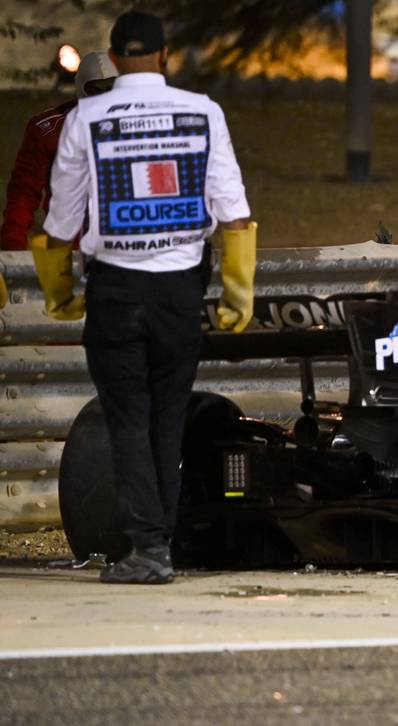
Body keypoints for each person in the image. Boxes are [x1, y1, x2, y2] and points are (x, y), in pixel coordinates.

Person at [33, 11, 257, 584]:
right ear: (164, 55)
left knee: (128, 419)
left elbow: (60, 222)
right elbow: (234, 215)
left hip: (115, 289)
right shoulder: (203, 112)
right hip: (180, 291)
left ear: (113, 57)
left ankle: (149, 548)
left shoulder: (85, 118)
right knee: (168, 416)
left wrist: (60, 293)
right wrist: (238, 293)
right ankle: (163, 544)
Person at [2, 52, 118, 253]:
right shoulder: (49, 130)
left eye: (110, 89)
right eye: (95, 90)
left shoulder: (144, 123)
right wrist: (12, 247)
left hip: (129, 246)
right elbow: (24, 193)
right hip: (69, 249)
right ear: (81, 89)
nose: (103, 98)